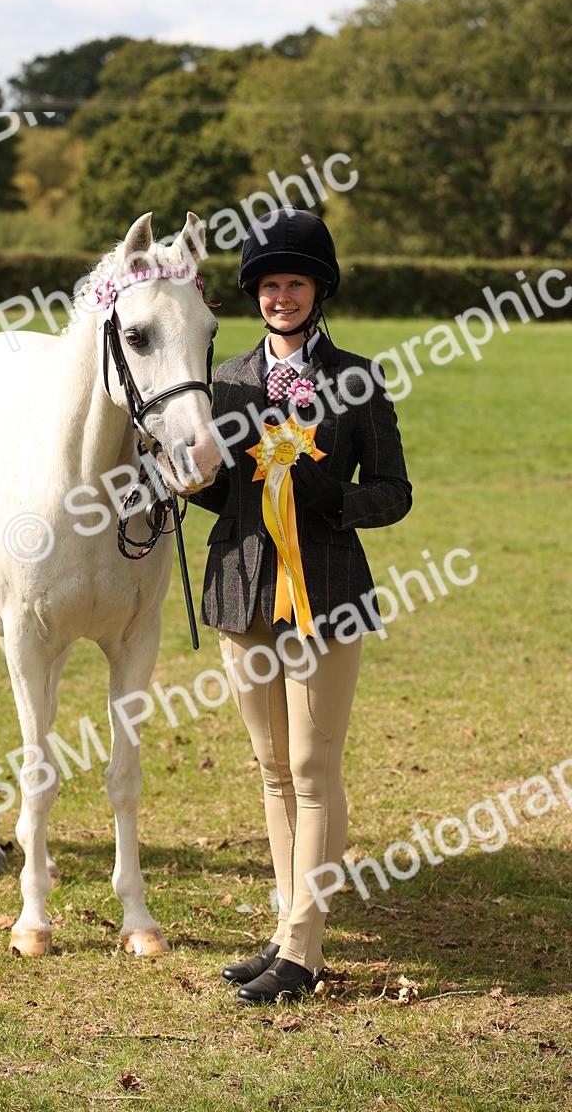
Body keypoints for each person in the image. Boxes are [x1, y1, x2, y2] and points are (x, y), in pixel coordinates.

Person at [189, 207, 412, 1005]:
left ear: (320, 290)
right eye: (269, 284)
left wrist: (328, 494)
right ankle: (288, 928)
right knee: (273, 769)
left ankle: (304, 952)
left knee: (315, 771)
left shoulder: (358, 379)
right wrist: (191, 480)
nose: (280, 296)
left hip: (326, 592)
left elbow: (394, 493)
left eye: (295, 283)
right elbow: (226, 493)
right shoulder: (227, 381)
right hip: (240, 589)